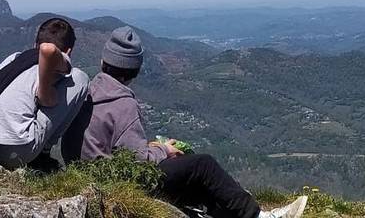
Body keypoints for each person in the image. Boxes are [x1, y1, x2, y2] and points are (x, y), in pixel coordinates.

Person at [62, 26, 307, 218]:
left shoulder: (89, 92)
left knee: (193, 176)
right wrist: (163, 150)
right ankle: (258, 216)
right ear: (135, 71)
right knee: (203, 165)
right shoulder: (123, 103)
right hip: (115, 183)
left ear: (103, 63)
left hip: (88, 175)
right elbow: (139, 162)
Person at [0, 17, 90, 169]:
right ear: (68, 51)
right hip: (14, 151)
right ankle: (43, 153)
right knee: (80, 78)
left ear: (33, 44)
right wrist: (45, 91)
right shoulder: (61, 57)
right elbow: (48, 50)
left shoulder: (15, 58)